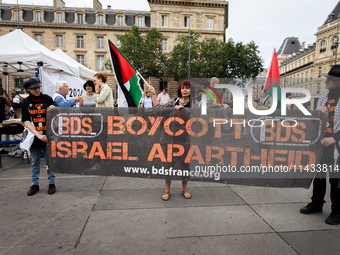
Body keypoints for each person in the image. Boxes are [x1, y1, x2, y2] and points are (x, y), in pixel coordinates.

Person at [300, 65, 340, 225]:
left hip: (336, 145)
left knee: (336, 179)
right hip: (322, 144)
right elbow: (316, 121)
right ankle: (316, 203)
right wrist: (317, 112)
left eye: (330, 79)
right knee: (319, 176)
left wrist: (335, 138)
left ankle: (337, 211)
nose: (326, 80)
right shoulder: (324, 97)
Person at [150, 80, 197, 201]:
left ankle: (184, 189)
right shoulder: (174, 101)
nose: (184, 90)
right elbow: (158, 108)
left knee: (185, 165)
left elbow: (197, 120)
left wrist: (185, 112)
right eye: (182, 88)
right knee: (168, 165)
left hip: (186, 139)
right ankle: (166, 191)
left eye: (187, 88)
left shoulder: (194, 103)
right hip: (170, 138)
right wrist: (154, 95)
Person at [21, 77, 56, 196]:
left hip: (48, 135)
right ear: (28, 90)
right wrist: (38, 135)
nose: (37, 90)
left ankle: (51, 182)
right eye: (34, 88)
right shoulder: (26, 102)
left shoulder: (47, 98)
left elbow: (55, 117)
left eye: (38, 87)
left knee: (49, 161)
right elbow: (26, 121)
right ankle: (35, 184)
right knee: (35, 161)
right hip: (34, 137)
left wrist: (53, 109)